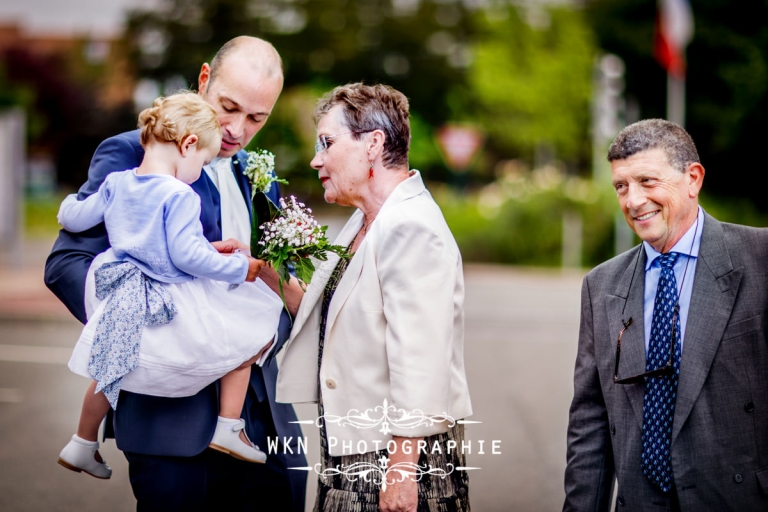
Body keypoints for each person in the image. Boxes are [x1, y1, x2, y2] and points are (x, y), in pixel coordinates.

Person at [44, 37, 307, 511]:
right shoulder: (135, 153)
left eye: (257, 118)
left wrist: (278, 319)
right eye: (228, 107)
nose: (237, 130)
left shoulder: (255, 169)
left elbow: (272, 269)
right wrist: (141, 328)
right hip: (170, 423)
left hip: (264, 419)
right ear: (204, 79)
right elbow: (65, 264)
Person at [269, 83, 472, 512]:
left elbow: (421, 360)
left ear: (373, 144)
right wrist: (261, 268)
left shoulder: (410, 227)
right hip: (351, 459)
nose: (316, 159)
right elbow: (331, 316)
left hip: (396, 464)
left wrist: (401, 474)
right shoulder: (368, 221)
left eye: (327, 142)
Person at [563, 119, 768, 511]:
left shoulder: (760, 259)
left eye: (647, 181)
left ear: (692, 179)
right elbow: (590, 419)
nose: (633, 200)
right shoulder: (601, 284)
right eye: (621, 186)